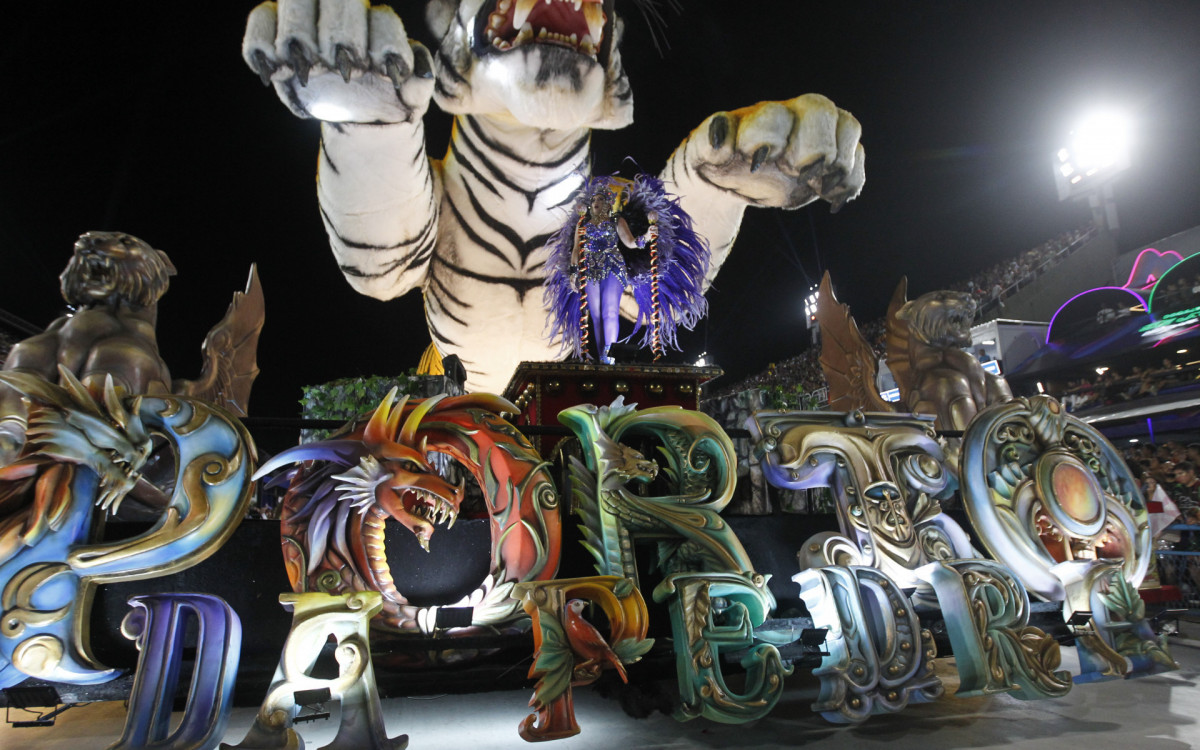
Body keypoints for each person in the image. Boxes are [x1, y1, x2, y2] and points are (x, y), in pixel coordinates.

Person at [544, 174, 709, 364]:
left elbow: (630, 243)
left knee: (609, 311)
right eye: (594, 200)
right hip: (589, 270)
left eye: (601, 199)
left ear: (608, 203)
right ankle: (603, 358)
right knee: (596, 315)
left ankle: (609, 358)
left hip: (613, 267)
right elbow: (575, 250)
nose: (596, 203)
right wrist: (574, 273)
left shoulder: (616, 220)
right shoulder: (582, 226)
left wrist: (647, 237)